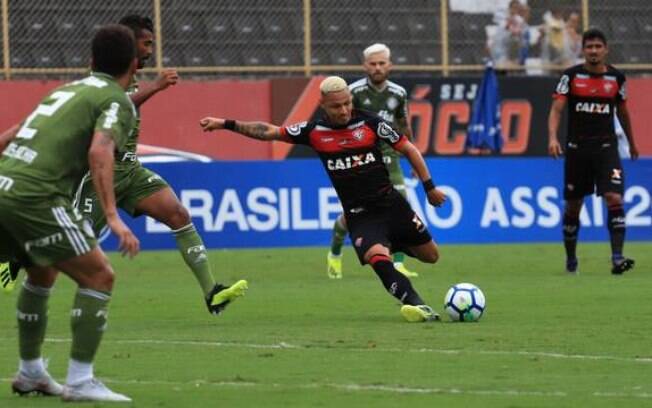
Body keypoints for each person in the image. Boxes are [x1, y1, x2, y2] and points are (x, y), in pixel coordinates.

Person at [3, 15, 248, 314]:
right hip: (98, 177)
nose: (150, 50)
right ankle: (14, 257)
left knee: (178, 214)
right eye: (146, 44)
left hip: (130, 172)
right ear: (130, 45)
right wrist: (156, 87)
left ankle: (212, 291)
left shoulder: (129, 76)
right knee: (70, 245)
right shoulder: (103, 75)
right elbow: (120, 102)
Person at [200, 76, 448, 323]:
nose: (343, 110)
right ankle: (416, 305)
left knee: (431, 256)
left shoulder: (372, 124)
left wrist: (429, 188)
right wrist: (225, 123)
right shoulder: (314, 132)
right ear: (322, 105)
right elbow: (269, 131)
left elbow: (409, 148)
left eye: (347, 103)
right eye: (336, 106)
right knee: (377, 257)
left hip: (391, 205)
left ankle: (393, 243)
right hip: (360, 214)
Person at [0, 24, 139, 401]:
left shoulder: (66, 91)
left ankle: (31, 373)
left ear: (91, 61)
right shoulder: (116, 100)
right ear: (134, 64)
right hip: (36, 195)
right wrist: (112, 215)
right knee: (99, 274)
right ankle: (79, 381)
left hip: (4, 184)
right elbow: (99, 151)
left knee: (41, 271)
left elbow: (13, 133)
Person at [548, 28, 638, 275]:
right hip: (577, 150)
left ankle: (617, 258)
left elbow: (623, 111)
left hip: (607, 149)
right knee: (573, 206)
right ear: (583, 50)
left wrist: (632, 142)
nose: (594, 51)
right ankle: (571, 261)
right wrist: (552, 137)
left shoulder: (617, 79)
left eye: (598, 46)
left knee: (614, 198)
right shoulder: (571, 77)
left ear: (606, 49)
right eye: (590, 47)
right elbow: (556, 109)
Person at [327, 43, 417, 280]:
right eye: (373, 64)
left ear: (390, 65)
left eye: (382, 63)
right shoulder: (353, 92)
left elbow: (403, 127)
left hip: (390, 158)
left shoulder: (398, 94)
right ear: (365, 65)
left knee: (403, 210)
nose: (377, 68)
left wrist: (413, 158)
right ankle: (334, 254)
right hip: (361, 162)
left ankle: (398, 263)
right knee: (353, 215)